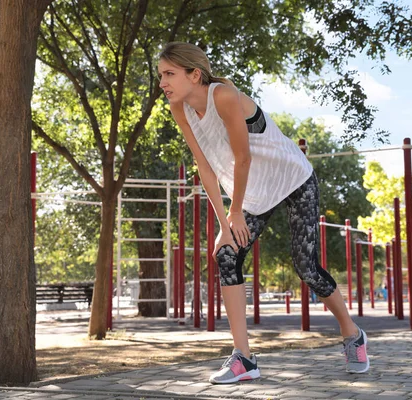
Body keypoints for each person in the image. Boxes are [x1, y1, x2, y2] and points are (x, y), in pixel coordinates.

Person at [158, 42, 369, 384]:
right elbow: (204, 166)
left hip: (291, 177)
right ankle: (244, 358)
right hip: (255, 190)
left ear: (194, 74)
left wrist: (236, 211)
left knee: (305, 265)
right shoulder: (178, 108)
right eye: (161, 75)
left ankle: (352, 334)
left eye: (169, 74)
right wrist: (225, 223)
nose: (162, 82)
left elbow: (243, 158)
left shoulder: (223, 96)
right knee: (226, 253)